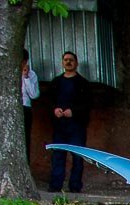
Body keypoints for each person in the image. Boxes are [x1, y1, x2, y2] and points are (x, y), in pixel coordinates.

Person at [48, 51, 92, 193]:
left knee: (77, 157)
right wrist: (55, 110)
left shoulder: (83, 84)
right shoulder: (56, 83)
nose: (68, 62)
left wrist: (74, 112)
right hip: (59, 126)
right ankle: (55, 186)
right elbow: (49, 102)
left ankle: (75, 186)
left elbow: (87, 105)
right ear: (62, 62)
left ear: (76, 63)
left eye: (71, 60)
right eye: (66, 60)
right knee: (58, 155)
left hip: (77, 126)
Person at [21, 50, 39, 159]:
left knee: (25, 139)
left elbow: (34, 95)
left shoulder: (32, 74)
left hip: (25, 109)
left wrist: (26, 77)